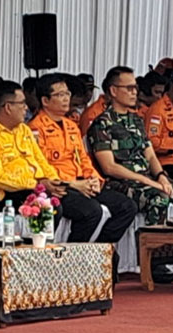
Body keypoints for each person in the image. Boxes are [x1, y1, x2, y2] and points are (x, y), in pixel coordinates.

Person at [28, 74, 137, 243]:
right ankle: (73, 254)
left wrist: (94, 179)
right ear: (45, 100)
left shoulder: (71, 126)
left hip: (82, 182)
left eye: (67, 93)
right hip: (61, 187)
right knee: (91, 211)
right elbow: (41, 167)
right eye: (60, 95)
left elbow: (83, 158)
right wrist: (73, 184)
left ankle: (99, 249)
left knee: (127, 207)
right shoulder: (35, 129)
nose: (66, 98)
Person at [87, 66, 173, 226]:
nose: (134, 92)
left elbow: (150, 155)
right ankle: (152, 240)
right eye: (129, 88)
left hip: (148, 179)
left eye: (135, 87)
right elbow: (109, 167)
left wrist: (161, 176)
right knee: (160, 199)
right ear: (113, 91)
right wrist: (147, 181)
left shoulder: (136, 120)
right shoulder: (102, 124)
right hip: (122, 183)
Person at [0, 79, 64, 211]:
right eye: (22, 103)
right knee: (53, 209)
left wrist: (53, 181)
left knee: (85, 205)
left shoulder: (23, 129)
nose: (26, 108)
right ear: (8, 107)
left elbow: (41, 161)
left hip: (39, 186)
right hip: (9, 194)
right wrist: (36, 184)